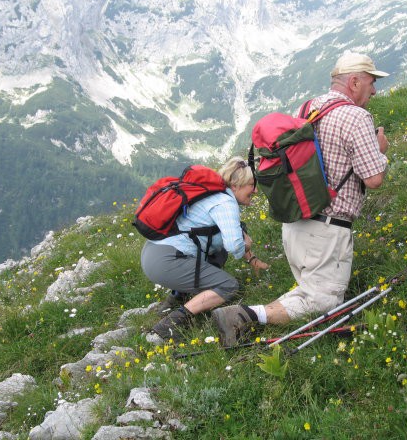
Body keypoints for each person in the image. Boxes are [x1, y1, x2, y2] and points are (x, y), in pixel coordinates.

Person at [212, 52, 389, 347]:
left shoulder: (308, 108)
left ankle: (250, 319)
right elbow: (373, 179)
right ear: (355, 81)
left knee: (310, 293)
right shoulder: (357, 117)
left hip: (296, 222)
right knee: (323, 302)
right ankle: (244, 316)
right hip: (326, 229)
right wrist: (380, 149)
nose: (374, 90)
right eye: (371, 82)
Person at [141, 156, 269, 345]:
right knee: (229, 286)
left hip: (154, 252)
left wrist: (252, 259)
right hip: (166, 260)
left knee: (231, 235)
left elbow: (230, 234)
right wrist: (247, 246)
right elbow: (235, 246)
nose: (256, 190)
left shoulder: (212, 194)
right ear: (235, 186)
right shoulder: (225, 203)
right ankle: (171, 324)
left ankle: (176, 298)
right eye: (251, 185)